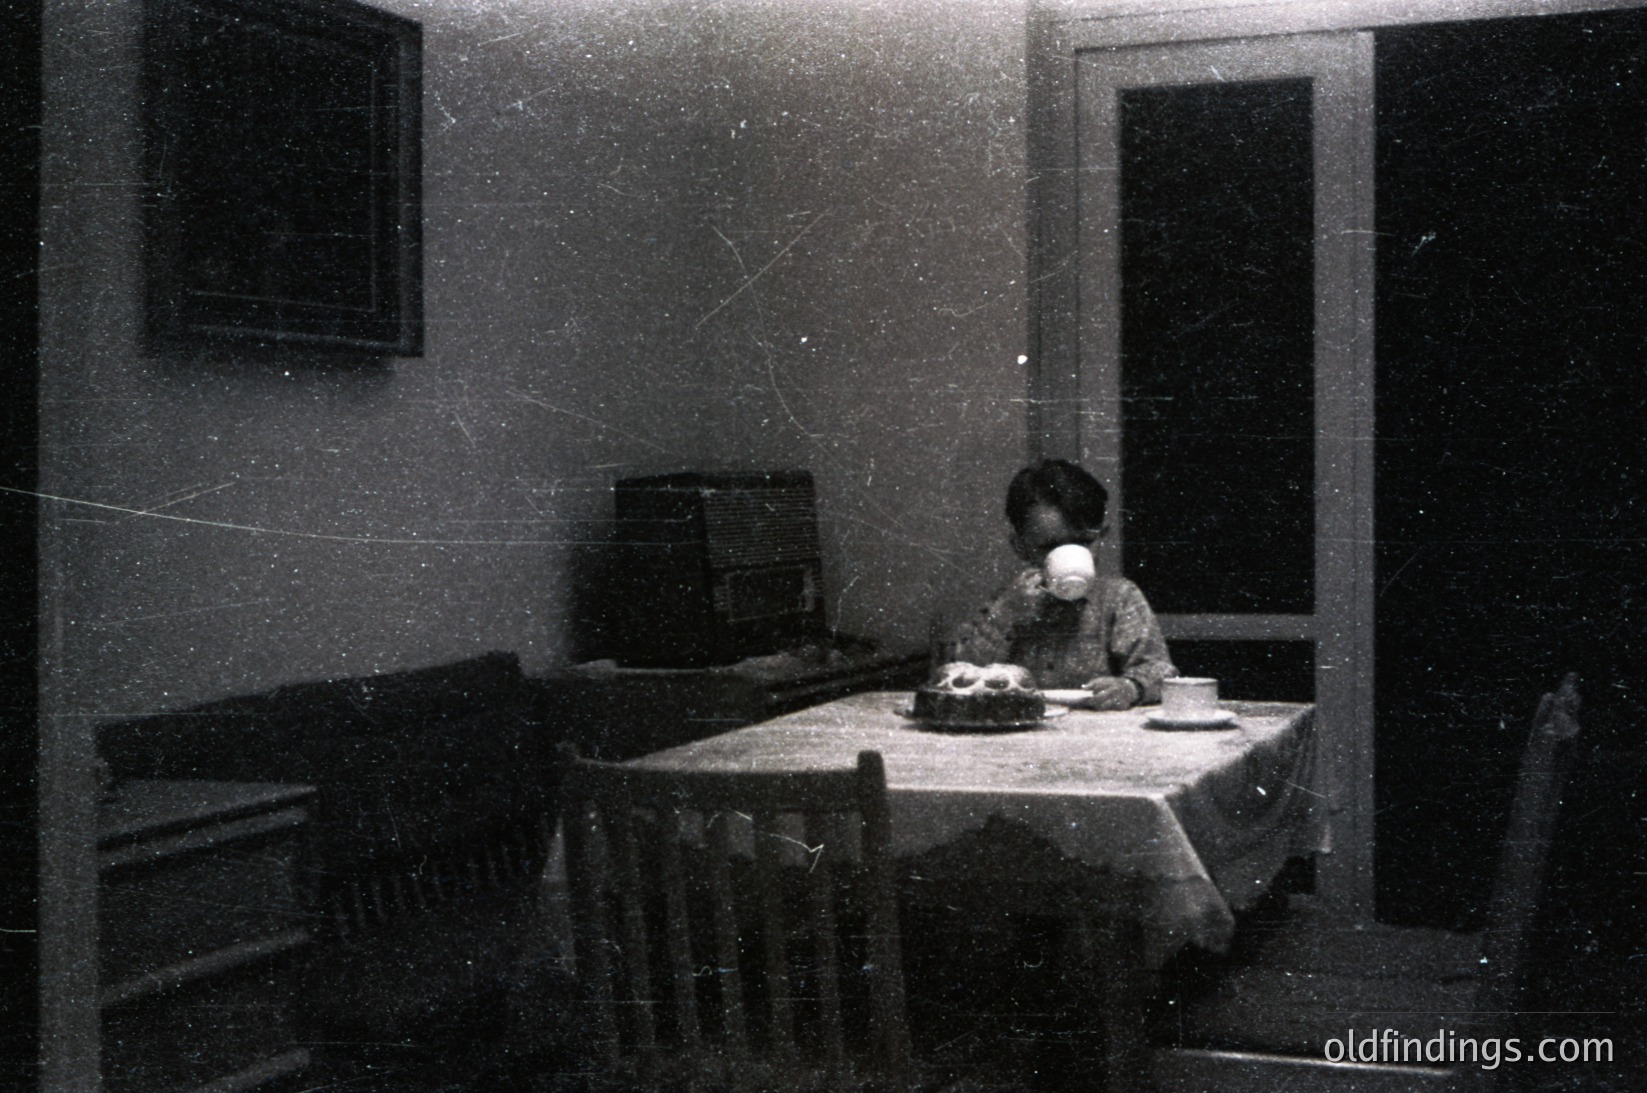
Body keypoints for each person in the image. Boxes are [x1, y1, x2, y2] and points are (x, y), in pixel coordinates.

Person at [948, 458, 1175, 708]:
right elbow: (962, 674)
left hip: (1096, 731)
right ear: (1020, 547)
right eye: (1049, 547)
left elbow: (1161, 670)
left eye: (1083, 541)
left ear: (1102, 535)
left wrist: (1132, 687)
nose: (1069, 554)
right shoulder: (1008, 601)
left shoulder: (1118, 598)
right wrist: (1005, 614)